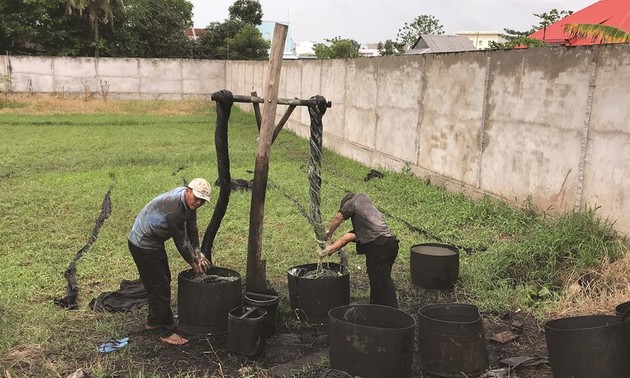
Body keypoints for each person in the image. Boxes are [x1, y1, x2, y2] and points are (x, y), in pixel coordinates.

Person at [128, 178, 212, 345]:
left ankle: (154, 320)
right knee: (160, 285)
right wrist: (194, 263)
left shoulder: (187, 202)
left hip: (152, 242)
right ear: (188, 190)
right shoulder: (175, 211)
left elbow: (192, 228)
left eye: (202, 201)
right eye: (196, 198)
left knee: (161, 279)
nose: (198, 203)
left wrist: (198, 252)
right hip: (143, 243)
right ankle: (166, 331)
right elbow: (181, 242)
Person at [319, 192, 399, 308]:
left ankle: (393, 314)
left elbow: (338, 218)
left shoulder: (354, 200)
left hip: (378, 247)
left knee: (383, 283)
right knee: (378, 281)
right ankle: (376, 309)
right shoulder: (367, 221)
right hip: (391, 245)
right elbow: (345, 239)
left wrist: (329, 235)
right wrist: (329, 250)